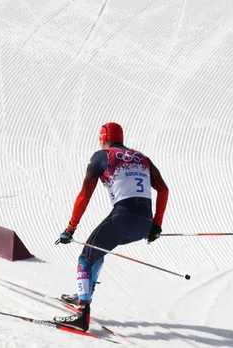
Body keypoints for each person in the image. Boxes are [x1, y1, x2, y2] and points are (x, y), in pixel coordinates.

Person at [53, 122, 169, 332]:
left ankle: (82, 313)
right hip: (144, 224)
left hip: (122, 218)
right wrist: (156, 225)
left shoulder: (102, 156)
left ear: (104, 138)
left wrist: (70, 228)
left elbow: (85, 194)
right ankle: (83, 293)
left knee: (85, 258)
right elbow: (164, 189)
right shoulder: (142, 157)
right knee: (99, 249)